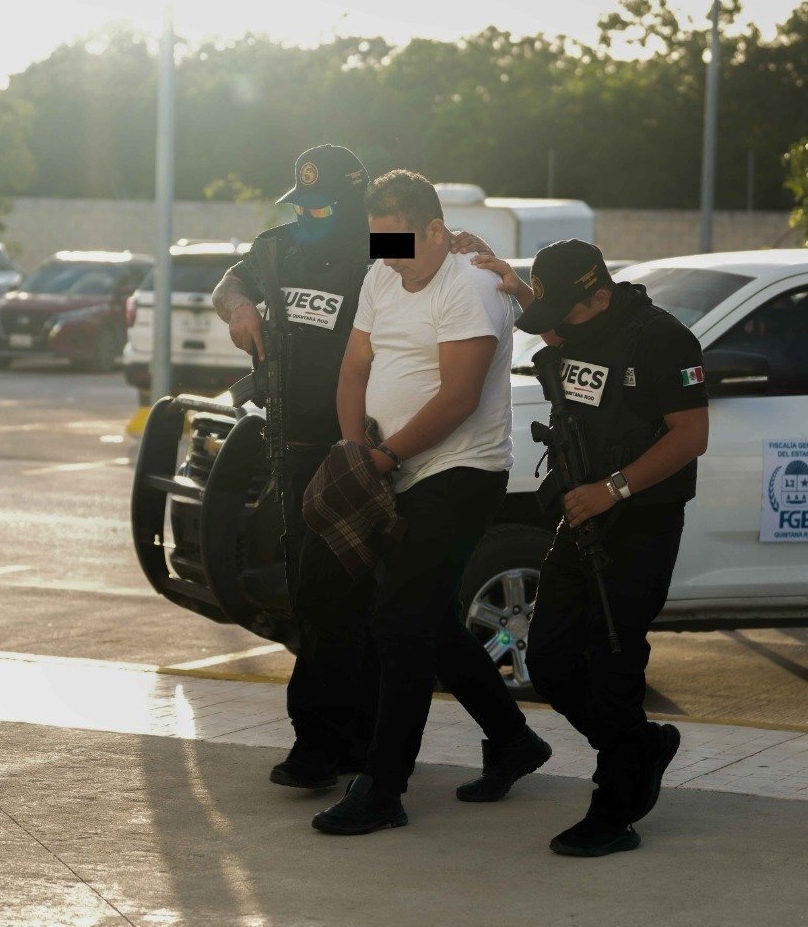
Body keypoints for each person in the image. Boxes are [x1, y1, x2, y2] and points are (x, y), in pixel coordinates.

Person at [210, 145, 494, 791]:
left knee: (380, 602)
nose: (308, 215)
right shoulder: (278, 247)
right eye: (301, 203)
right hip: (302, 445)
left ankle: (366, 744)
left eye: (322, 205)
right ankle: (326, 741)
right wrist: (241, 309)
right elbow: (232, 280)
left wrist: (478, 253)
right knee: (320, 596)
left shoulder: (381, 244)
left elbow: (450, 252)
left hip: (375, 444)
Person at [311, 169, 551, 835]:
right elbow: (354, 367)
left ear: (438, 232)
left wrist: (383, 458)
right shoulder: (383, 274)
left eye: (401, 244)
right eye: (378, 243)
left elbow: (459, 396)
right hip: (390, 468)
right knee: (429, 621)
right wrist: (354, 447)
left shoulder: (472, 285)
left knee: (398, 619)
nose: (389, 259)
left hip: (461, 471)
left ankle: (384, 788)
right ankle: (513, 740)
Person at [475, 239, 709, 857]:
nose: (551, 331)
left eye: (562, 316)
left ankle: (615, 808)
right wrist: (512, 282)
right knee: (549, 660)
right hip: (581, 517)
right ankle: (638, 747)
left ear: (600, 297)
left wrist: (614, 489)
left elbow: (692, 435)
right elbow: (564, 340)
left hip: (640, 522)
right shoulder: (576, 321)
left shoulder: (664, 341)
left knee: (613, 658)